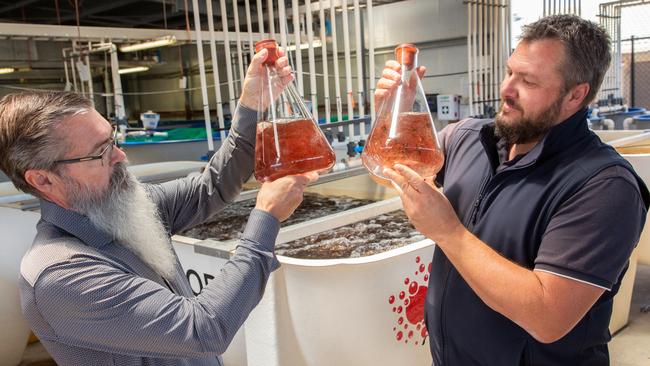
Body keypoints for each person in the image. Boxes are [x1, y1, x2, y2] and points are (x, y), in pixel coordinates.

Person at [0, 47, 316, 365]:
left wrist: (252, 105)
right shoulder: (60, 276)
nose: (121, 157)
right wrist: (266, 216)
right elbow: (204, 330)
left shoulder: (121, 208)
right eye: (99, 153)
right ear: (43, 180)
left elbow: (212, 187)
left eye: (113, 141)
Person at [376, 15, 649, 365]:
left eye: (529, 81)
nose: (506, 89)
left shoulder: (604, 185)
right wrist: (394, 110)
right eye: (510, 72)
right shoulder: (467, 138)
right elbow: (392, 172)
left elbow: (547, 317)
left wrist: (448, 232)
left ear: (576, 95)